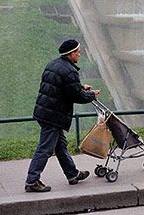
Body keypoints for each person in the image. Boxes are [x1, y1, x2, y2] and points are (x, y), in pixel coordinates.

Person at [25, 39, 100, 193]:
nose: (79, 55)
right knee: (45, 148)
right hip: (53, 116)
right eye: (78, 52)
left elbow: (62, 87)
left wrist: (80, 87)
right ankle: (32, 181)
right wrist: (91, 94)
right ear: (71, 54)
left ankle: (72, 175)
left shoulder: (53, 64)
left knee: (60, 146)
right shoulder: (70, 70)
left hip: (45, 111)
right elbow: (77, 96)